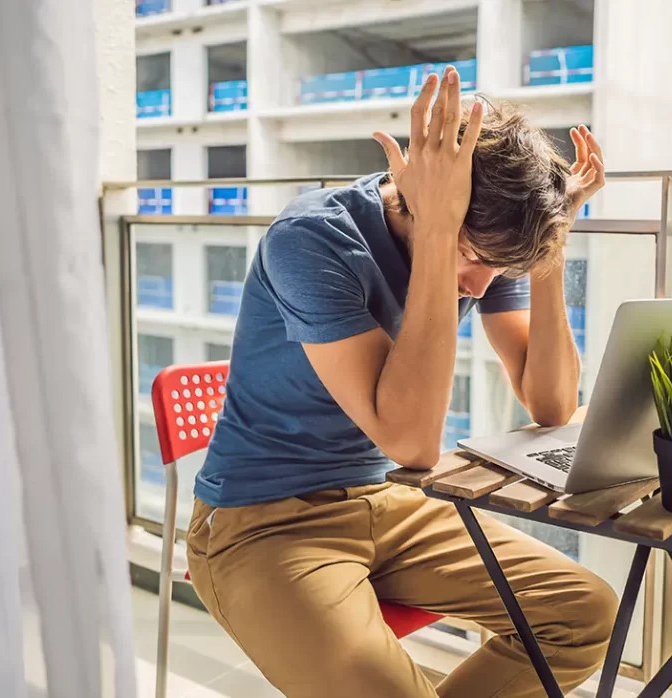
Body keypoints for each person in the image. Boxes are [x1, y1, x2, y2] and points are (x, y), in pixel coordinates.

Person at [185, 65, 616, 698]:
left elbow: (551, 403)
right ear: (421, 200)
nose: (476, 287)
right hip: (261, 520)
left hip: (389, 501)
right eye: (471, 260)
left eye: (497, 268)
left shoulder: (489, 241)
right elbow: (412, 443)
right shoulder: (314, 239)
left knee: (583, 614)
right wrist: (443, 237)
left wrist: (545, 247)